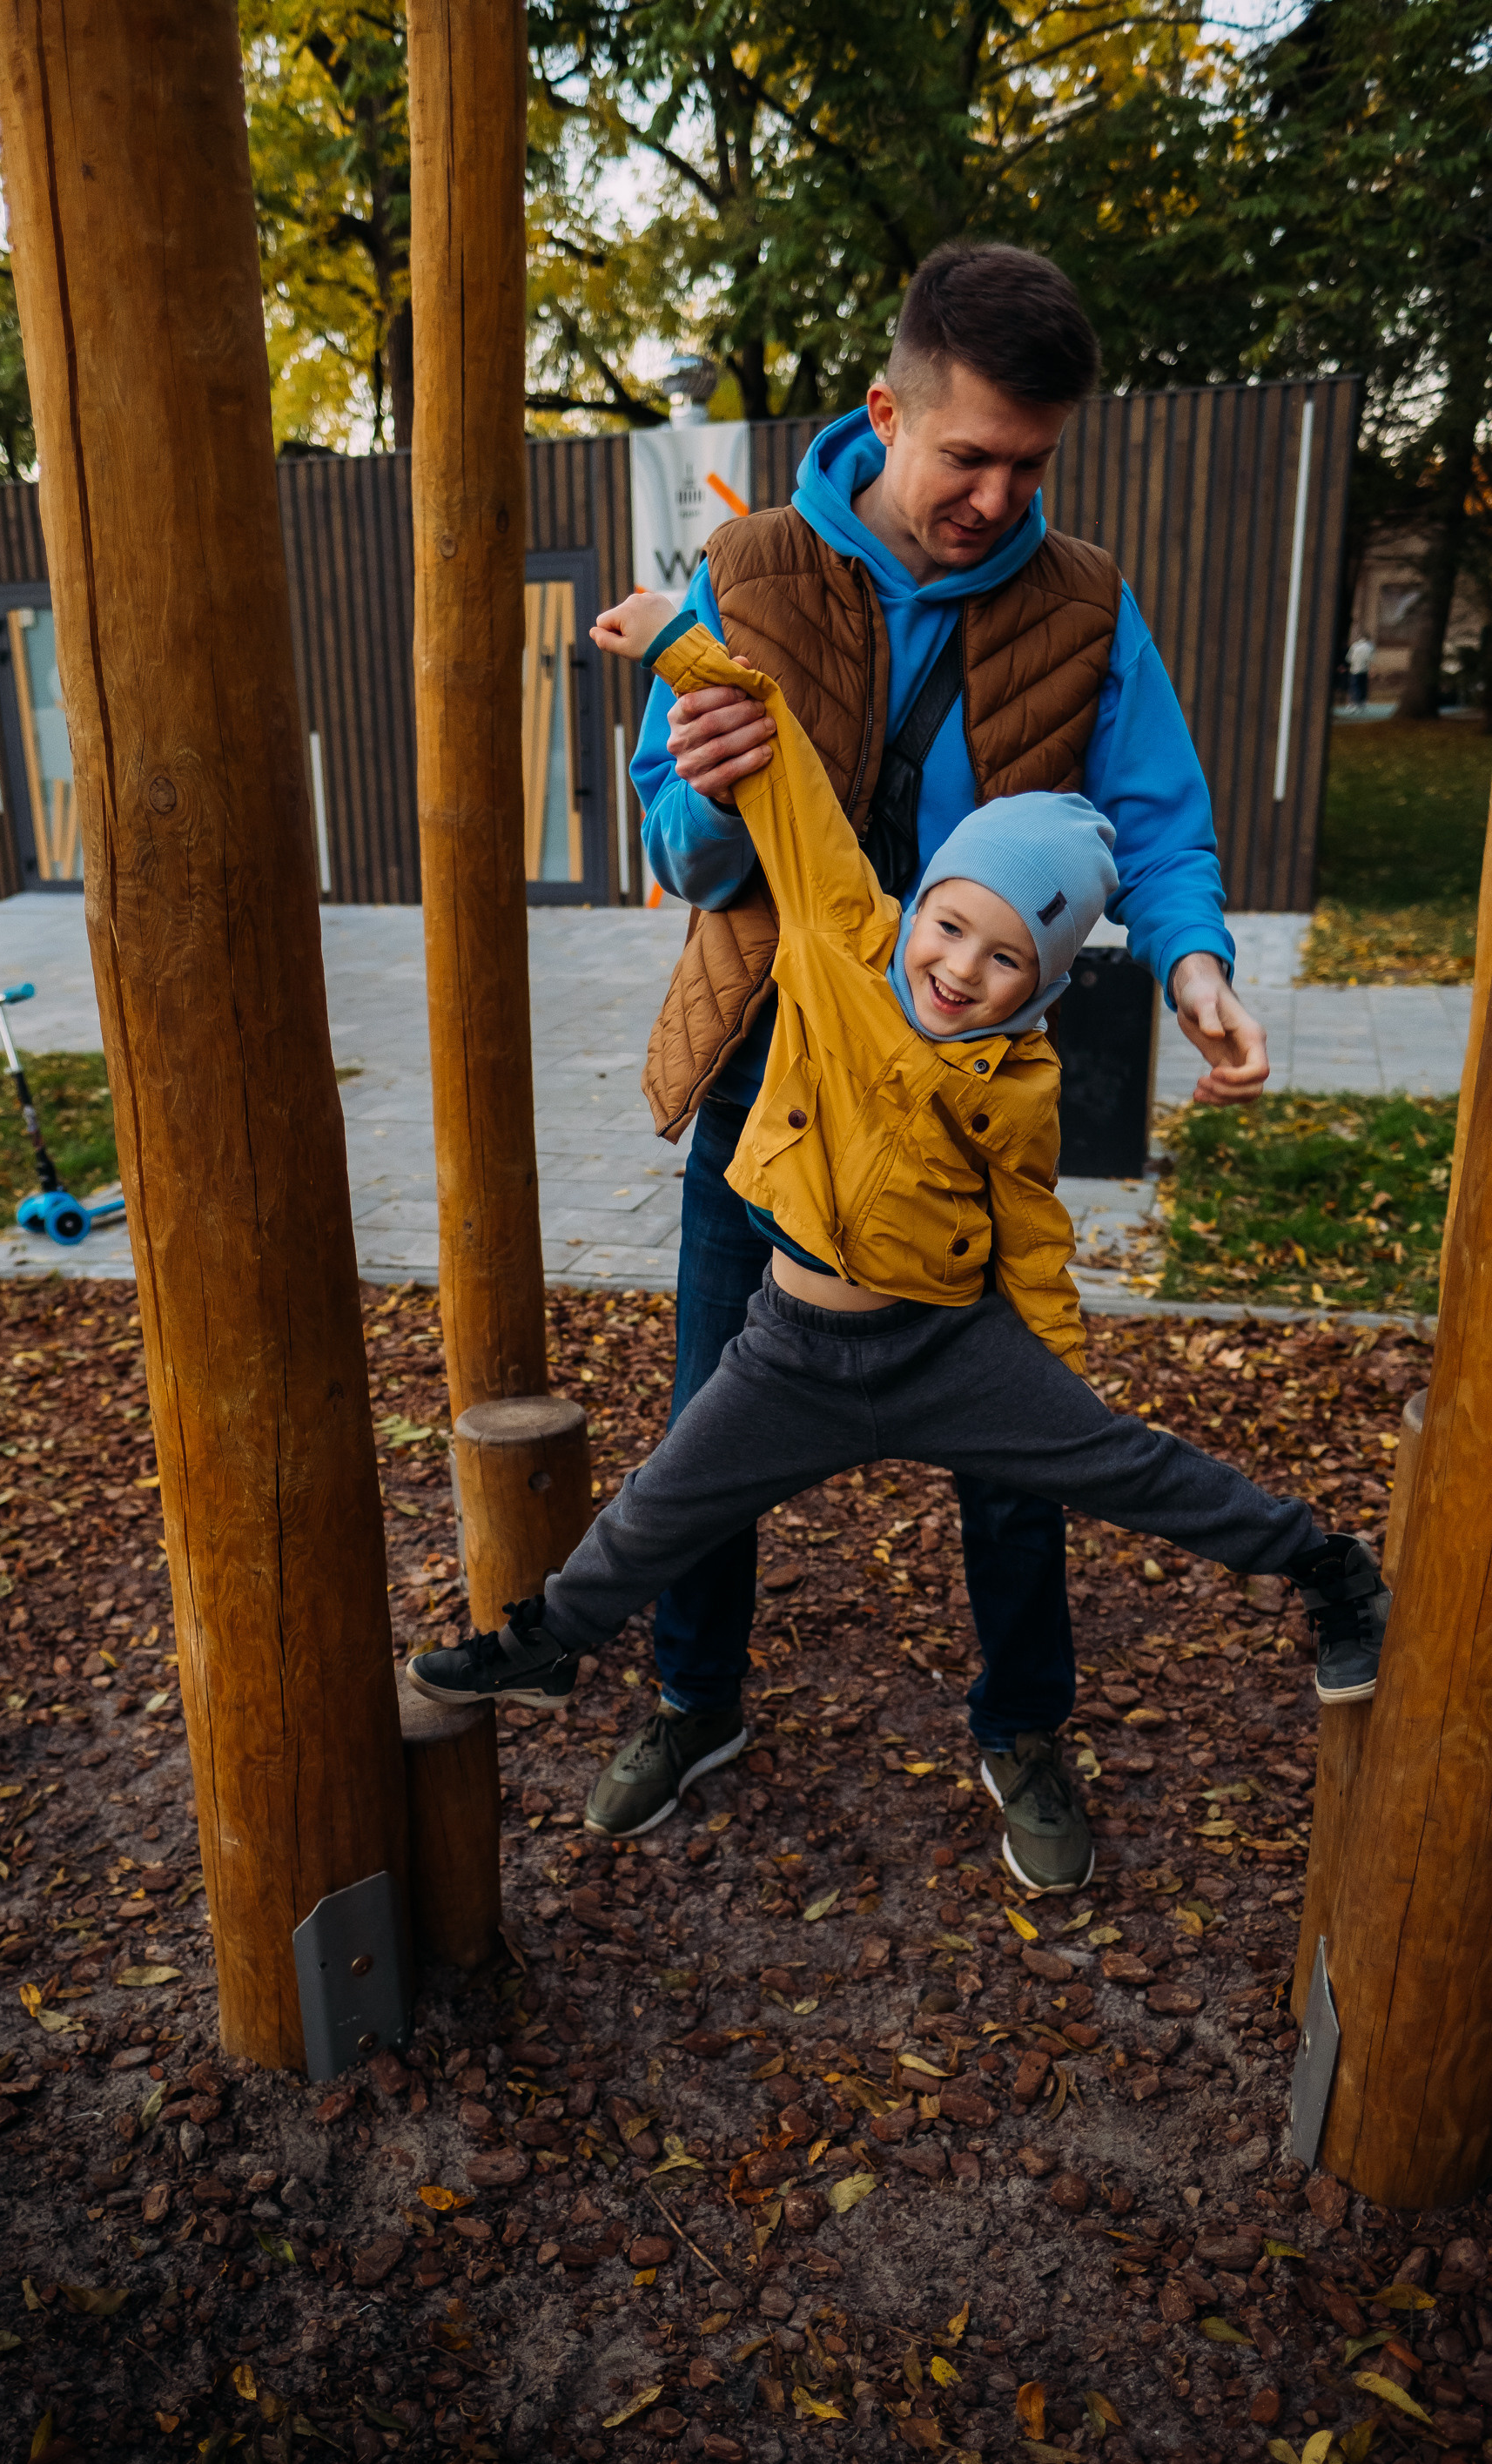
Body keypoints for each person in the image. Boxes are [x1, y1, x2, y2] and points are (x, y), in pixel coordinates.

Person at [410, 601, 1388, 1891]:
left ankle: (1326, 1567)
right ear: (915, 904)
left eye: (1005, 958)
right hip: (793, 1347)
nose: (960, 968)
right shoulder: (838, 940)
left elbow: (1028, 1222)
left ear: (1040, 985)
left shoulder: (1017, 1071)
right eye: (950, 926)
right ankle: (544, 1643)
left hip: (948, 1348)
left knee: (1125, 1470)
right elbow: (791, 774)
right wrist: (679, 649)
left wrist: (1050, 1365)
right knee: (662, 1507)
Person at [602, 239, 1270, 1873]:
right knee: (708, 1423)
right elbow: (680, 852)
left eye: (1028, 465)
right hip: (772, 1070)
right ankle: (695, 1697)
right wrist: (703, 784)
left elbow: (1160, 821)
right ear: (890, 409)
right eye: (967, 455)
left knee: (1015, 1433)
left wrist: (1193, 969)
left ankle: (1022, 1725)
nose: (993, 496)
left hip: (970, 1101)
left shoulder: (1086, 603)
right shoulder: (749, 565)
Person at [1348, 635, 1375, 708]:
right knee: (1363, 685)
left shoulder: (1354, 646)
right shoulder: (1370, 646)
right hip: (1365, 669)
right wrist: (1372, 670)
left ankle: (1355, 701)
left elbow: (1349, 658)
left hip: (1354, 669)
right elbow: (1371, 659)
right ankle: (1362, 701)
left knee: (1355, 685)